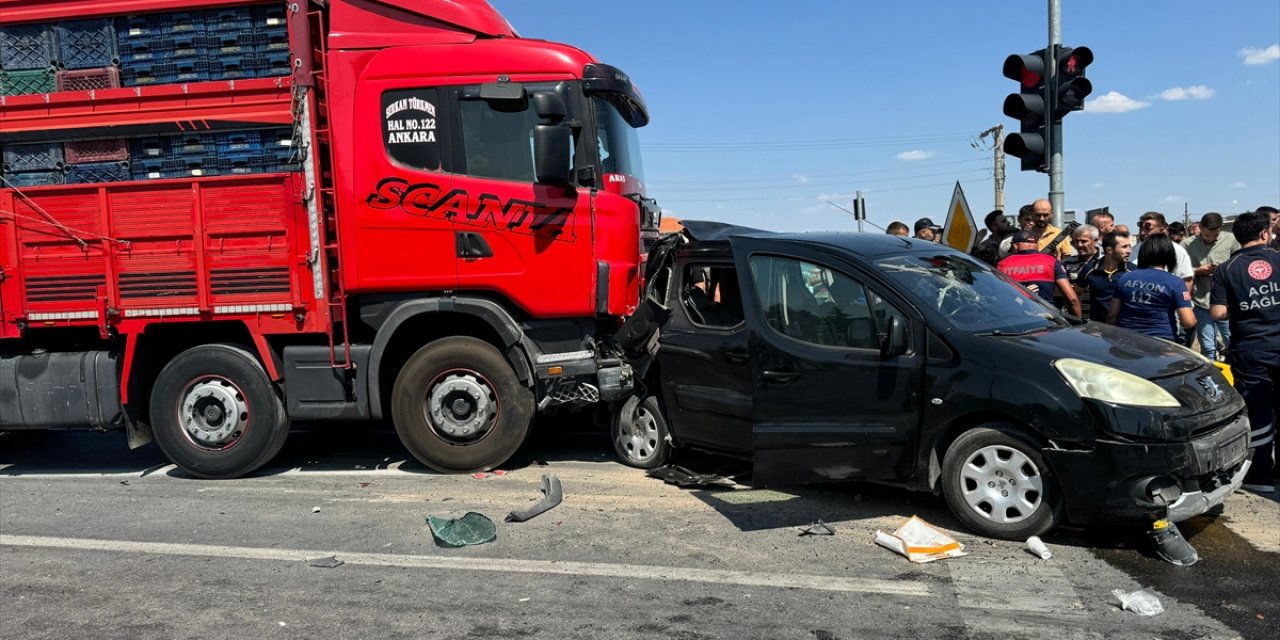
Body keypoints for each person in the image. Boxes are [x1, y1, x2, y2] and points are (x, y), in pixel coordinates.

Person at [1210, 210, 1279, 494]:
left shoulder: (1226, 268)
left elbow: (1217, 312)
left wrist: (1245, 307)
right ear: (1265, 233)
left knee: (1259, 411)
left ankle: (1260, 475)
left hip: (1250, 349)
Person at [1107, 235, 1195, 341]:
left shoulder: (1125, 278)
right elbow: (1188, 322)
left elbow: (1112, 315)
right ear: (1169, 254)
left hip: (1126, 340)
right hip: (1161, 342)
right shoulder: (1175, 283)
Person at [1184, 212, 1239, 361]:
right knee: (1208, 348)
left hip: (1226, 302)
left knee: (1232, 342)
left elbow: (1239, 265)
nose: (1210, 239)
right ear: (1200, 228)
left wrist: (1223, 269)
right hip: (1201, 300)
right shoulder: (1187, 245)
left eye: (1214, 235)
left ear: (1220, 229)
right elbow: (1182, 271)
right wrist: (1197, 270)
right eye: (1207, 235)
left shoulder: (1231, 241)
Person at [999, 230, 1081, 316]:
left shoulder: (1002, 265)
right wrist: (1078, 323)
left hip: (1016, 320)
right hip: (1048, 319)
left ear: (1014, 246)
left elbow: (1001, 300)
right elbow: (1072, 299)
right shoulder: (1052, 261)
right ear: (1037, 245)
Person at [1077, 230, 1133, 323]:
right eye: (1124, 247)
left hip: (1123, 330)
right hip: (1096, 329)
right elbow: (1076, 292)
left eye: (1129, 246)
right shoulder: (1089, 269)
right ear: (1109, 250)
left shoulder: (1133, 271)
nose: (1129, 251)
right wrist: (1080, 319)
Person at [1133, 211, 1194, 287]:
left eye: (1148, 228)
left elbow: (1186, 281)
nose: (1142, 233)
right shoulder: (1133, 251)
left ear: (1162, 230)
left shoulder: (1177, 251)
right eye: (1141, 228)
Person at [1061, 224, 1099, 317]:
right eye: (1076, 241)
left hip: (1097, 318)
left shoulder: (1104, 263)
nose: (1079, 245)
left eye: (1084, 241)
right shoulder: (1065, 263)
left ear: (1096, 241)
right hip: (1073, 317)